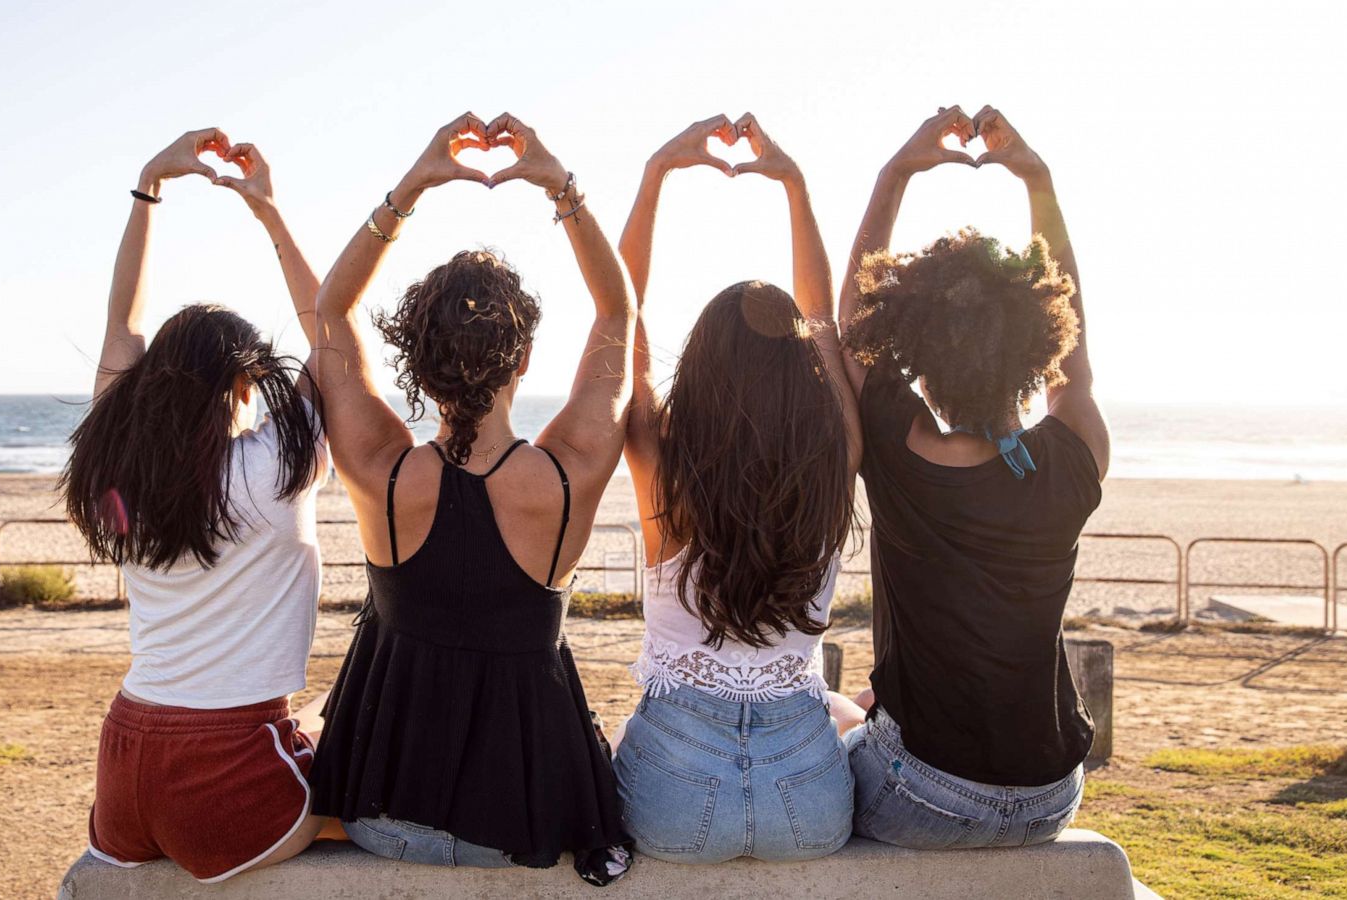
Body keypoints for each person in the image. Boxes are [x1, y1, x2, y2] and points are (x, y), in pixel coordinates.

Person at [304, 113, 635, 884]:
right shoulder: (568, 472)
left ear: (416, 361)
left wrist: (413, 185)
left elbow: (330, 310)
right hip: (523, 822)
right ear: (523, 356)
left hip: (383, 817)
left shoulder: (382, 471)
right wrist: (561, 186)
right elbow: (619, 315)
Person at [61, 128, 333, 882]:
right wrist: (270, 214)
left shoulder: (117, 465)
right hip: (226, 766)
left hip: (123, 764)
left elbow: (122, 326)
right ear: (244, 386)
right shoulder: (273, 466)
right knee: (356, 734)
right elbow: (332, 334)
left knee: (316, 720)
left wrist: (150, 185)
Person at [836, 106, 1110, 849]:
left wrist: (896, 174)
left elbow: (852, 324)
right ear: (1038, 345)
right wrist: (1036, 178)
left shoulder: (895, 446)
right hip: (1051, 795)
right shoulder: (1071, 456)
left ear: (916, 349)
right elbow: (1076, 363)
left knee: (826, 712)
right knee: (865, 700)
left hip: (929, 796)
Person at [609, 114, 863, 863]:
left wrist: (656, 172)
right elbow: (821, 322)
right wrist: (794, 183)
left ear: (703, 371)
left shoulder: (665, 465)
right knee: (845, 710)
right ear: (806, 376)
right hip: (809, 800)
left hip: (674, 792)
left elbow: (621, 324)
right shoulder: (836, 453)